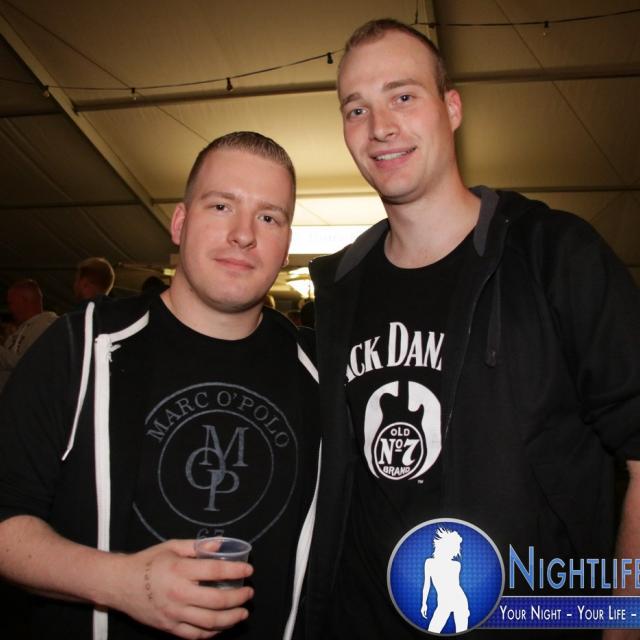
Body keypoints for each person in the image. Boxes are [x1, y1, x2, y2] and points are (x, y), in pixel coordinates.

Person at [306, 19, 640, 640]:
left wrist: (621, 623)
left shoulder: (554, 254)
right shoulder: (337, 289)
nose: (380, 127)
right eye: (357, 108)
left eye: (403, 96)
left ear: (452, 108)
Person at [0, 131, 320, 640]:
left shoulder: (321, 373)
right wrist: (121, 583)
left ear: (286, 246)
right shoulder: (82, 346)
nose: (243, 234)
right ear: (179, 222)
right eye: (221, 206)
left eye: (268, 217)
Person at [0, 279, 57, 392]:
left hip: (25, 398)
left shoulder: (47, 328)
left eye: (11, 303)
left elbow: (29, 363)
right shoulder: (19, 331)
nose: (10, 308)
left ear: (25, 301)